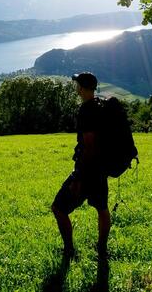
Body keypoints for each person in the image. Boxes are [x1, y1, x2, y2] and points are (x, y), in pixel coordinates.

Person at [51, 71, 110, 259]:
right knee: (102, 208)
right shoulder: (101, 105)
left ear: (82, 89)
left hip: (87, 171)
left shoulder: (86, 111)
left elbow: (89, 145)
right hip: (101, 170)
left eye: (77, 85)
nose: (76, 88)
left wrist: (78, 177)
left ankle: (69, 250)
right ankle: (101, 249)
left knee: (58, 208)